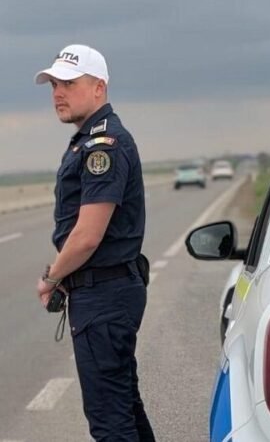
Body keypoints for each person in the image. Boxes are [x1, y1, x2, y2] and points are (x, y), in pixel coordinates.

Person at [35, 44, 156, 442]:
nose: (57, 92)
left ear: (98, 87)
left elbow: (87, 236)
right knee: (124, 407)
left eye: (68, 83)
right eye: (54, 83)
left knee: (109, 421)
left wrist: (52, 276)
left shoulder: (103, 145)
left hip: (104, 297)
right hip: (104, 294)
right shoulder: (87, 141)